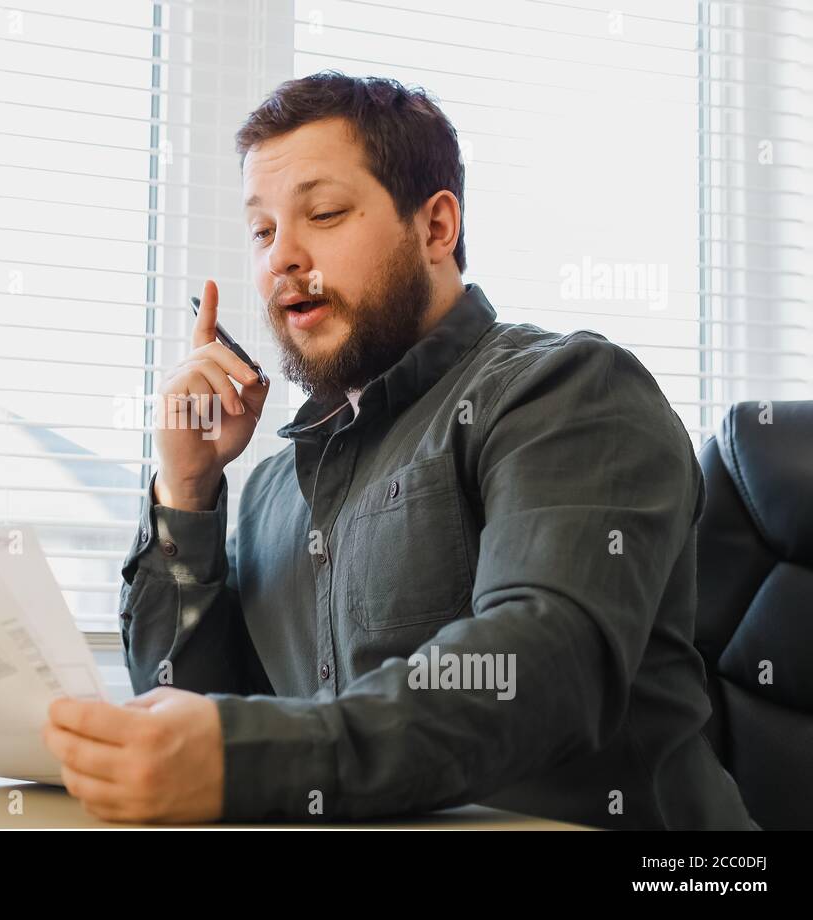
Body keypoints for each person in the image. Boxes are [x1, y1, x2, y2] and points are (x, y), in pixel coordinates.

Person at [42, 70, 758, 829]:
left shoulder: (571, 390)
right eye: (262, 230)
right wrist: (185, 493)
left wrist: (243, 758)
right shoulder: (271, 491)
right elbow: (187, 708)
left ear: (436, 228)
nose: (283, 257)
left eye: (322, 213)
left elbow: (544, 667)